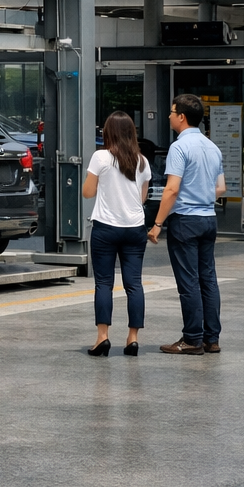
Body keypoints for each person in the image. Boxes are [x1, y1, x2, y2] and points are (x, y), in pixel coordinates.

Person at [147, 93, 226, 355]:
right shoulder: (212, 147)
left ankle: (191, 338)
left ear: (181, 117)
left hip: (186, 221)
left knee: (189, 281)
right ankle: (210, 338)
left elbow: (171, 190)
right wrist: (201, 195)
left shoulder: (179, 148)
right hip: (208, 219)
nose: (169, 116)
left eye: (171, 112)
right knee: (208, 279)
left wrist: (157, 223)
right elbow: (220, 188)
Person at [82, 111, 152, 356]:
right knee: (134, 284)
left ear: (108, 132)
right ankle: (132, 338)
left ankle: (102, 337)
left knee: (104, 283)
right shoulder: (142, 161)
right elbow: (141, 197)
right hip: (135, 229)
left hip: (106, 228)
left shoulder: (100, 157)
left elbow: (87, 193)